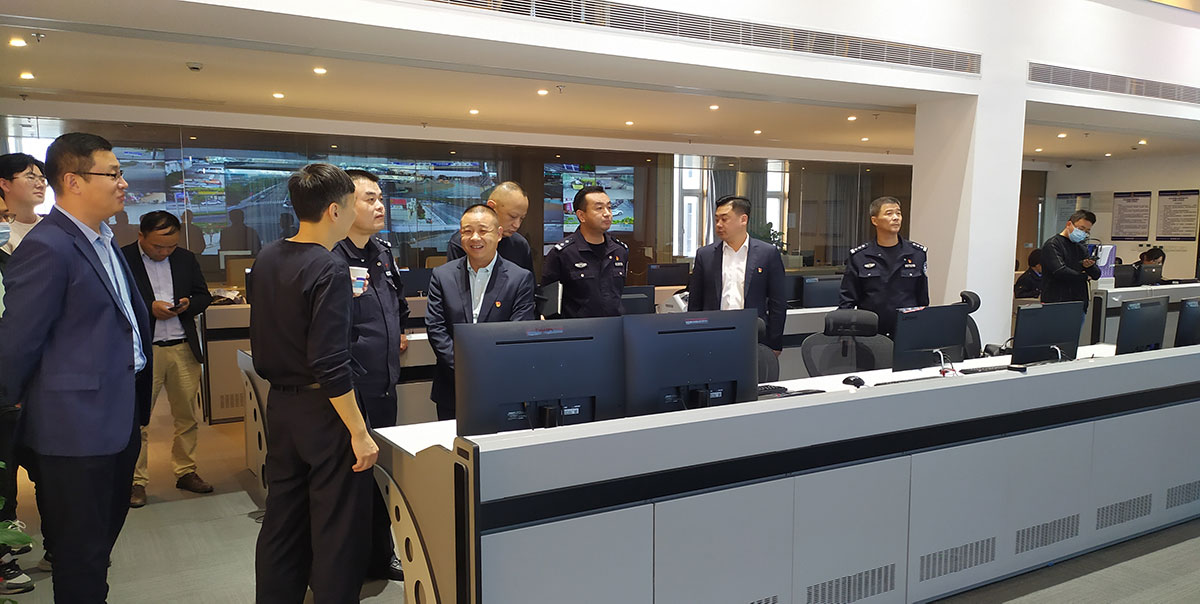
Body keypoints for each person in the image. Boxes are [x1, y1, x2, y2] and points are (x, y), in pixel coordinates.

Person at [0, 132, 152, 602]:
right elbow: (16, 343)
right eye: (113, 174)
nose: (123, 183)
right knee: (78, 554)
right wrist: (13, 412)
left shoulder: (104, 240)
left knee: (98, 546)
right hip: (73, 431)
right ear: (73, 181)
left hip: (117, 417)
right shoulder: (49, 246)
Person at [248, 163, 378, 603]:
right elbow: (330, 362)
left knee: (282, 518)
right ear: (334, 211)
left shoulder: (268, 256)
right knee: (337, 526)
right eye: (351, 204)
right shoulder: (329, 267)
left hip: (281, 406)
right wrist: (359, 432)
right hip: (324, 411)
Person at [331, 169, 408, 583]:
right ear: (343, 205)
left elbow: (397, 303)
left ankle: (382, 556)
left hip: (383, 385)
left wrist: (398, 331)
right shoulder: (330, 256)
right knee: (348, 482)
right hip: (347, 390)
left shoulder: (382, 251)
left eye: (381, 198)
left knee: (381, 478)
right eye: (370, 199)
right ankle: (347, 566)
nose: (380, 206)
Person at [122, 211, 214, 508]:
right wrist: (149, 307)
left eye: (171, 246)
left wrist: (189, 304)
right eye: (157, 246)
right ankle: (136, 481)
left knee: (187, 416)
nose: (164, 252)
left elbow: (203, 295)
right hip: (143, 351)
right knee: (138, 420)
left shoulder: (185, 258)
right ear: (141, 236)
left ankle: (186, 471)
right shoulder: (123, 258)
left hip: (182, 347)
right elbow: (116, 302)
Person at [426, 204, 536, 420]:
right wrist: (463, 366)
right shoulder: (442, 276)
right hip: (452, 385)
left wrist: (487, 368)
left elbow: (517, 331)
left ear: (499, 234)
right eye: (467, 231)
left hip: (502, 384)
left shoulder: (519, 278)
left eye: (483, 230)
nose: (475, 237)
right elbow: (436, 328)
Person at [686, 195, 787, 354]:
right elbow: (695, 303)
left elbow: (778, 303)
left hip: (752, 336)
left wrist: (775, 343)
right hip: (712, 336)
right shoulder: (705, 255)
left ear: (743, 220)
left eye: (724, 219)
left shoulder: (767, 254)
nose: (719, 224)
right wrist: (692, 338)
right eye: (716, 219)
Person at [838, 196, 929, 337]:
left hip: (907, 330)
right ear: (874, 220)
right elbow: (847, 301)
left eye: (898, 213)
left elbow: (922, 298)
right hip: (871, 332)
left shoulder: (916, 253)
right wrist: (845, 335)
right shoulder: (860, 256)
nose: (896, 218)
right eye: (889, 213)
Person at [542, 185, 628, 318]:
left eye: (609, 207)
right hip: (578, 329)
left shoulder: (620, 250)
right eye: (599, 208)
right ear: (581, 216)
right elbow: (549, 306)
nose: (607, 213)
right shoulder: (563, 253)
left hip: (614, 326)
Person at [446, 181, 534, 273]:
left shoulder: (520, 245)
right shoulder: (464, 242)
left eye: (521, 218)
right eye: (513, 216)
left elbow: (528, 280)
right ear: (492, 207)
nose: (517, 225)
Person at [1040, 210, 1100, 304]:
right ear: (1069, 224)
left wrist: (1090, 266)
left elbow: (1096, 275)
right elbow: (1060, 271)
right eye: (1081, 229)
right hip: (1057, 300)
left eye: (1087, 231)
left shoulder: (1081, 247)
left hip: (1079, 300)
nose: (1083, 233)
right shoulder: (1053, 244)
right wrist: (1084, 277)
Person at [0, 153, 46, 256]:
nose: (40, 185)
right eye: (31, 178)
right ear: (4, 184)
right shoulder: (3, 233)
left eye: (42, 179)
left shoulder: (50, 224)